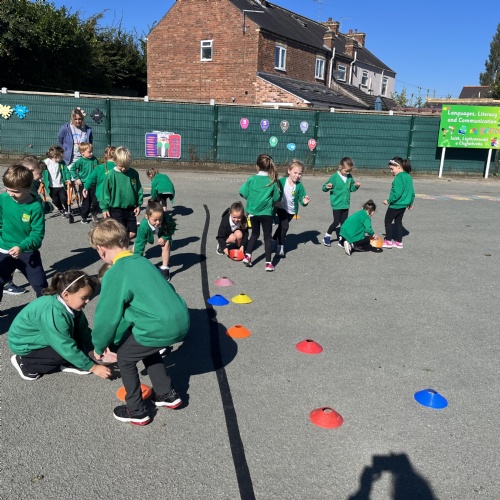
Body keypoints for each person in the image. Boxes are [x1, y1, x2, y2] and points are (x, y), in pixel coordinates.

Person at [89, 219, 190, 426]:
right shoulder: (142, 261)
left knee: (126, 358)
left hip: (159, 326)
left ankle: (136, 410)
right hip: (181, 319)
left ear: (101, 249)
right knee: (145, 346)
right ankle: (166, 394)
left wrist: (99, 346)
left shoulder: (116, 272)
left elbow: (106, 317)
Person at [8, 270, 112, 381]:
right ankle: (25, 363)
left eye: (89, 297)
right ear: (66, 295)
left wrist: (97, 346)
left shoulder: (71, 305)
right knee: (62, 353)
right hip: (25, 344)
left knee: (77, 342)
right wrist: (93, 367)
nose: (88, 301)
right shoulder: (53, 313)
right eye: (84, 298)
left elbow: (83, 330)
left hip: (44, 336)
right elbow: (64, 346)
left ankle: (71, 362)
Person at [0, 165, 48, 317]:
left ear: (28, 187)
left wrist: (22, 247)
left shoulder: (35, 206)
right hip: (4, 250)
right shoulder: (3, 199)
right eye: (7, 189)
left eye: (15, 191)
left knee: (40, 284)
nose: (10, 194)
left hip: (27, 253)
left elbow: (37, 234)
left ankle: (46, 311)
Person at [238, 153, 281, 271]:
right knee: (267, 237)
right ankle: (268, 263)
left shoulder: (252, 179)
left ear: (257, 166)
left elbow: (242, 192)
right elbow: (277, 198)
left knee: (254, 234)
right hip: (266, 213)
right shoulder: (272, 181)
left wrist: (252, 199)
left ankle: (247, 256)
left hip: (253, 212)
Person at [100, 146, 143, 240]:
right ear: (115, 161)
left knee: (132, 233)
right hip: (116, 209)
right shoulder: (111, 175)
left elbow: (138, 189)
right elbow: (105, 192)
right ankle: (121, 248)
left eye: (126, 166)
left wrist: (138, 204)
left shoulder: (133, 173)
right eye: (121, 166)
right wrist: (105, 208)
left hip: (130, 208)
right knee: (120, 233)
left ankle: (123, 246)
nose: (123, 169)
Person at [272, 159, 310, 257]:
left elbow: (302, 198)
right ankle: (280, 246)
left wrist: (304, 202)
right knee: (285, 226)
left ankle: (273, 239)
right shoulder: (281, 181)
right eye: (295, 173)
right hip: (281, 208)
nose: (297, 175)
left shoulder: (299, 186)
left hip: (292, 211)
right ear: (289, 171)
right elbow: (274, 191)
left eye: (300, 173)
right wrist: (275, 201)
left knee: (281, 226)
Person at [134, 200, 177, 282]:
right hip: (148, 229)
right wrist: (137, 260)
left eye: (160, 219)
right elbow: (140, 243)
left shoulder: (166, 218)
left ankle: (165, 270)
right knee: (136, 247)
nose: (158, 222)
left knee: (166, 243)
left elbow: (172, 227)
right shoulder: (143, 226)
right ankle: (135, 262)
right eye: (155, 220)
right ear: (147, 217)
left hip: (162, 231)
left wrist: (164, 237)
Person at [322, 157, 360, 248]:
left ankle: (342, 239)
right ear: (340, 167)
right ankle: (327, 236)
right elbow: (324, 187)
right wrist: (327, 187)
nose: (347, 173)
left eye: (349, 171)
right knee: (336, 222)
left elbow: (351, 188)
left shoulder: (349, 177)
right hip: (337, 204)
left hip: (345, 204)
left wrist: (356, 186)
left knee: (344, 223)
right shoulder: (334, 177)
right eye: (346, 171)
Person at [382, 157, 415, 249]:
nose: (391, 171)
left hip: (395, 205)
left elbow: (397, 193)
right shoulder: (408, 176)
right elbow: (412, 192)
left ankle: (388, 241)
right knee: (398, 222)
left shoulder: (399, 178)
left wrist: (388, 201)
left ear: (399, 167)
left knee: (387, 221)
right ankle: (399, 242)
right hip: (403, 205)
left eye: (392, 169)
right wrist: (410, 202)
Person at [83, 145, 116, 222]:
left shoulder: (99, 167)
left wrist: (85, 187)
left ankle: (95, 213)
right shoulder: (118, 167)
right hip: (113, 194)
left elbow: (90, 178)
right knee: (112, 210)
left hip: (100, 193)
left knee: (98, 205)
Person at [72, 142, 99, 224]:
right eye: (89, 152)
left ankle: (94, 213)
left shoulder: (95, 160)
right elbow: (72, 170)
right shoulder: (80, 161)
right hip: (84, 184)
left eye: (92, 151)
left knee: (96, 201)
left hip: (94, 184)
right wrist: (77, 178)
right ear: (82, 152)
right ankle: (84, 216)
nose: (91, 153)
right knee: (86, 201)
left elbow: (99, 170)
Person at [43, 145, 71, 217]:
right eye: (61, 156)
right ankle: (61, 209)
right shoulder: (46, 162)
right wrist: (41, 178)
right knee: (55, 201)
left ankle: (67, 210)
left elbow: (67, 171)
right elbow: (41, 170)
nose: (62, 158)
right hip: (51, 186)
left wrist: (68, 179)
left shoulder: (62, 163)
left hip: (61, 185)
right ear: (55, 156)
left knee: (64, 198)